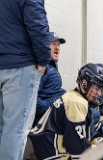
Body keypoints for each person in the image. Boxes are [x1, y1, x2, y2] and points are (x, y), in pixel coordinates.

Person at [29, 63, 103, 160]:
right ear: (84, 83)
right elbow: (79, 152)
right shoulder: (76, 102)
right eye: (97, 88)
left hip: (50, 151)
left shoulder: (74, 96)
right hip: (55, 155)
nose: (99, 93)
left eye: (101, 89)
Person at [0, 1, 50, 160]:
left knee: (3, 129)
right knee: (16, 130)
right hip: (19, 66)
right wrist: (43, 61)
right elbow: (37, 25)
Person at [33, 32, 66, 127]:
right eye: (53, 44)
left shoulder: (52, 66)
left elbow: (52, 91)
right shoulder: (42, 67)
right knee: (92, 115)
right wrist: (50, 108)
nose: (57, 48)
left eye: (58, 45)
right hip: (44, 119)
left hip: (55, 112)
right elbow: (32, 97)